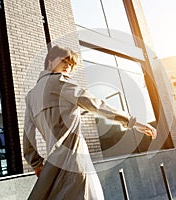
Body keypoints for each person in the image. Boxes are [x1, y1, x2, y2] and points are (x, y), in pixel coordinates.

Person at [23, 45, 157, 200]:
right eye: (64, 61)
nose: (68, 66)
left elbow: (27, 139)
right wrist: (133, 122)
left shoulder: (30, 97)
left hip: (53, 168)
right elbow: (97, 105)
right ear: (50, 61)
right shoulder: (60, 82)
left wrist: (37, 165)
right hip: (75, 161)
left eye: (71, 64)